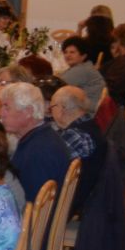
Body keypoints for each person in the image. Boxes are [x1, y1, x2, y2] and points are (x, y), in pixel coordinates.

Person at [0, 82, 70, 213]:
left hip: (28, 221)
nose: (1, 113)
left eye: (7, 108)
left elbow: (32, 206)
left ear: (28, 112)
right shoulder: (41, 136)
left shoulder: (39, 152)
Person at [49, 85, 106, 214]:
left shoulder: (77, 136)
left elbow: (50, 166)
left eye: (52, 107)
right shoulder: (88, 124)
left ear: (62, 109)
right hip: (82, 198)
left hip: (68, 206)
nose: (50, 112)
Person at [59, 35, 106, 111]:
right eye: (65, 52)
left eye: (72, 52)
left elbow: (57, 87)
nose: (67, 55)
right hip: (90, 108)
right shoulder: (86, 66)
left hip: (88, 112)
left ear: (83, 56)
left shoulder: (82, 70)